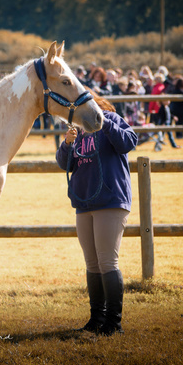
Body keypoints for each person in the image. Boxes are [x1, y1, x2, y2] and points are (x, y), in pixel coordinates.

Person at [56, 92, 137, 336]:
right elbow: (65, 163)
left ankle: (114, 322)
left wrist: (105, 121)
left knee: (107, 261)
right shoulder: (78, 131)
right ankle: (96, 318)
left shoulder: (111, 118)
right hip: (85, 202)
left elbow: (129, 142)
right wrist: (67, 143)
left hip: (110, 199)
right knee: (92, 263)